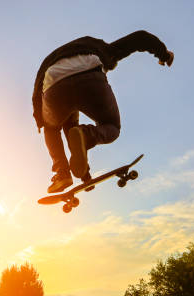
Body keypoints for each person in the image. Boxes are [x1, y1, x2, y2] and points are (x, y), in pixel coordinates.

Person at [33, 30, 174, 193]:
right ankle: (87, 135)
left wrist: (40, 120)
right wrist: (163, 54)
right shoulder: (101, 48)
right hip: (90, 74)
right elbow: (140, 38)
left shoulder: (49, 62)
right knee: (110, 126)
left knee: (51, 128)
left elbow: (37, 92)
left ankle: (62, 174)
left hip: (53, 85)